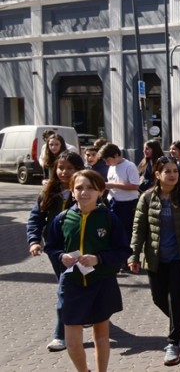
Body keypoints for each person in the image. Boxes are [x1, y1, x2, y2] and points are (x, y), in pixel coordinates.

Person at [44, 170, 131, 372]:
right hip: (72, 284)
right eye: (79, 188)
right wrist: (60, 256)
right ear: (72, 192)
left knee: (101, 335)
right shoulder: (63, 218)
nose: (84, 192)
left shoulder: (109, 219)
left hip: (101, 283)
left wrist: (98, 259)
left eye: (90, 188)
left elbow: (123, 250)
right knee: (73, 342)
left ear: (100, 191)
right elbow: (51, 246)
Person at [129, 156, 180, 366]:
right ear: (157, 174)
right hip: (156, 258)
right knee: (158, 298)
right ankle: (179, 314)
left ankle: (174, 343)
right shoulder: (146, 198)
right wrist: (134, 256)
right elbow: (139, 229)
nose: (172, 175)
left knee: (175, 298)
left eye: (175, 171)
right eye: (167, 171)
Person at [26, 151, 85, 352]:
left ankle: (61, 335)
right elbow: (35, 218)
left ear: (79, 170)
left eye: (70, 168)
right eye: (61, 168)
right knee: (69, 288)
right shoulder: (48, 192)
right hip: (56, 249)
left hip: (80, 250)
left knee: (66, 290)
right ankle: (80, 318)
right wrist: (34, 240)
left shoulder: (85, 190)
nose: (64, 172)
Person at [99, 143, 141, 249]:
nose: (107, 163)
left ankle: (127, 256)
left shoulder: (129, 166)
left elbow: (135, 185)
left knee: (125, 230)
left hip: (127, 203)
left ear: (116, 155)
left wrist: (112, 185)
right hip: (113, 201)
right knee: (114, 229)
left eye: (108, 160)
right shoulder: (112, 167)